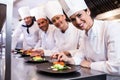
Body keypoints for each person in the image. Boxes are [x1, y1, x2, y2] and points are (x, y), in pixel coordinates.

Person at [52, 0, 120, 75]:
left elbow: (116, 67)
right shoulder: (85, 34)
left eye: (79, 15)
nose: (77, 22)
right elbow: (80, 57)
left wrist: (89, 64)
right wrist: (68, 59)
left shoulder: (112, 28)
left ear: (88, 11)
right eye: (73, 19)